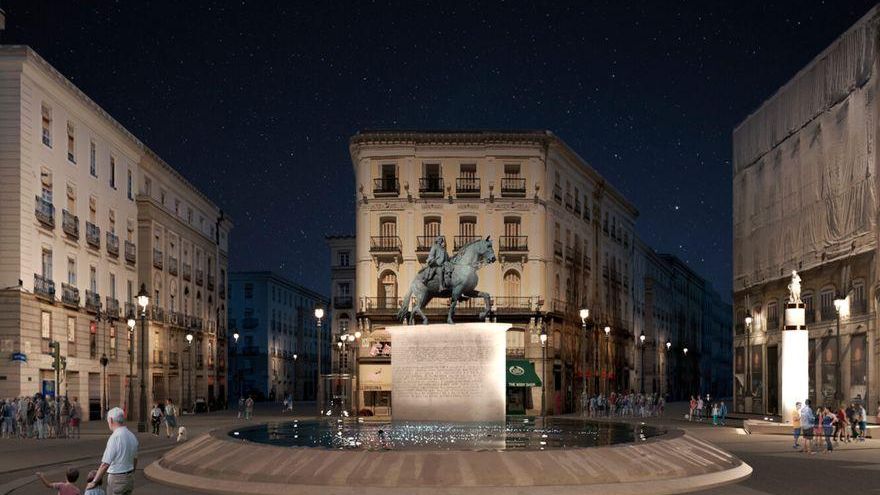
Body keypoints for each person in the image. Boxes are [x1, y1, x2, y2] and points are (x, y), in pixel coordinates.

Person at [86, 407, 138, 495]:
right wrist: (131, 473)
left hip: (117, 479)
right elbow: (135, 459)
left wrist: (94, 482)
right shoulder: (131, 435)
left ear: (110, 420)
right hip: (129, 478)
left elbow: (105, 464)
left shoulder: (115, 437)